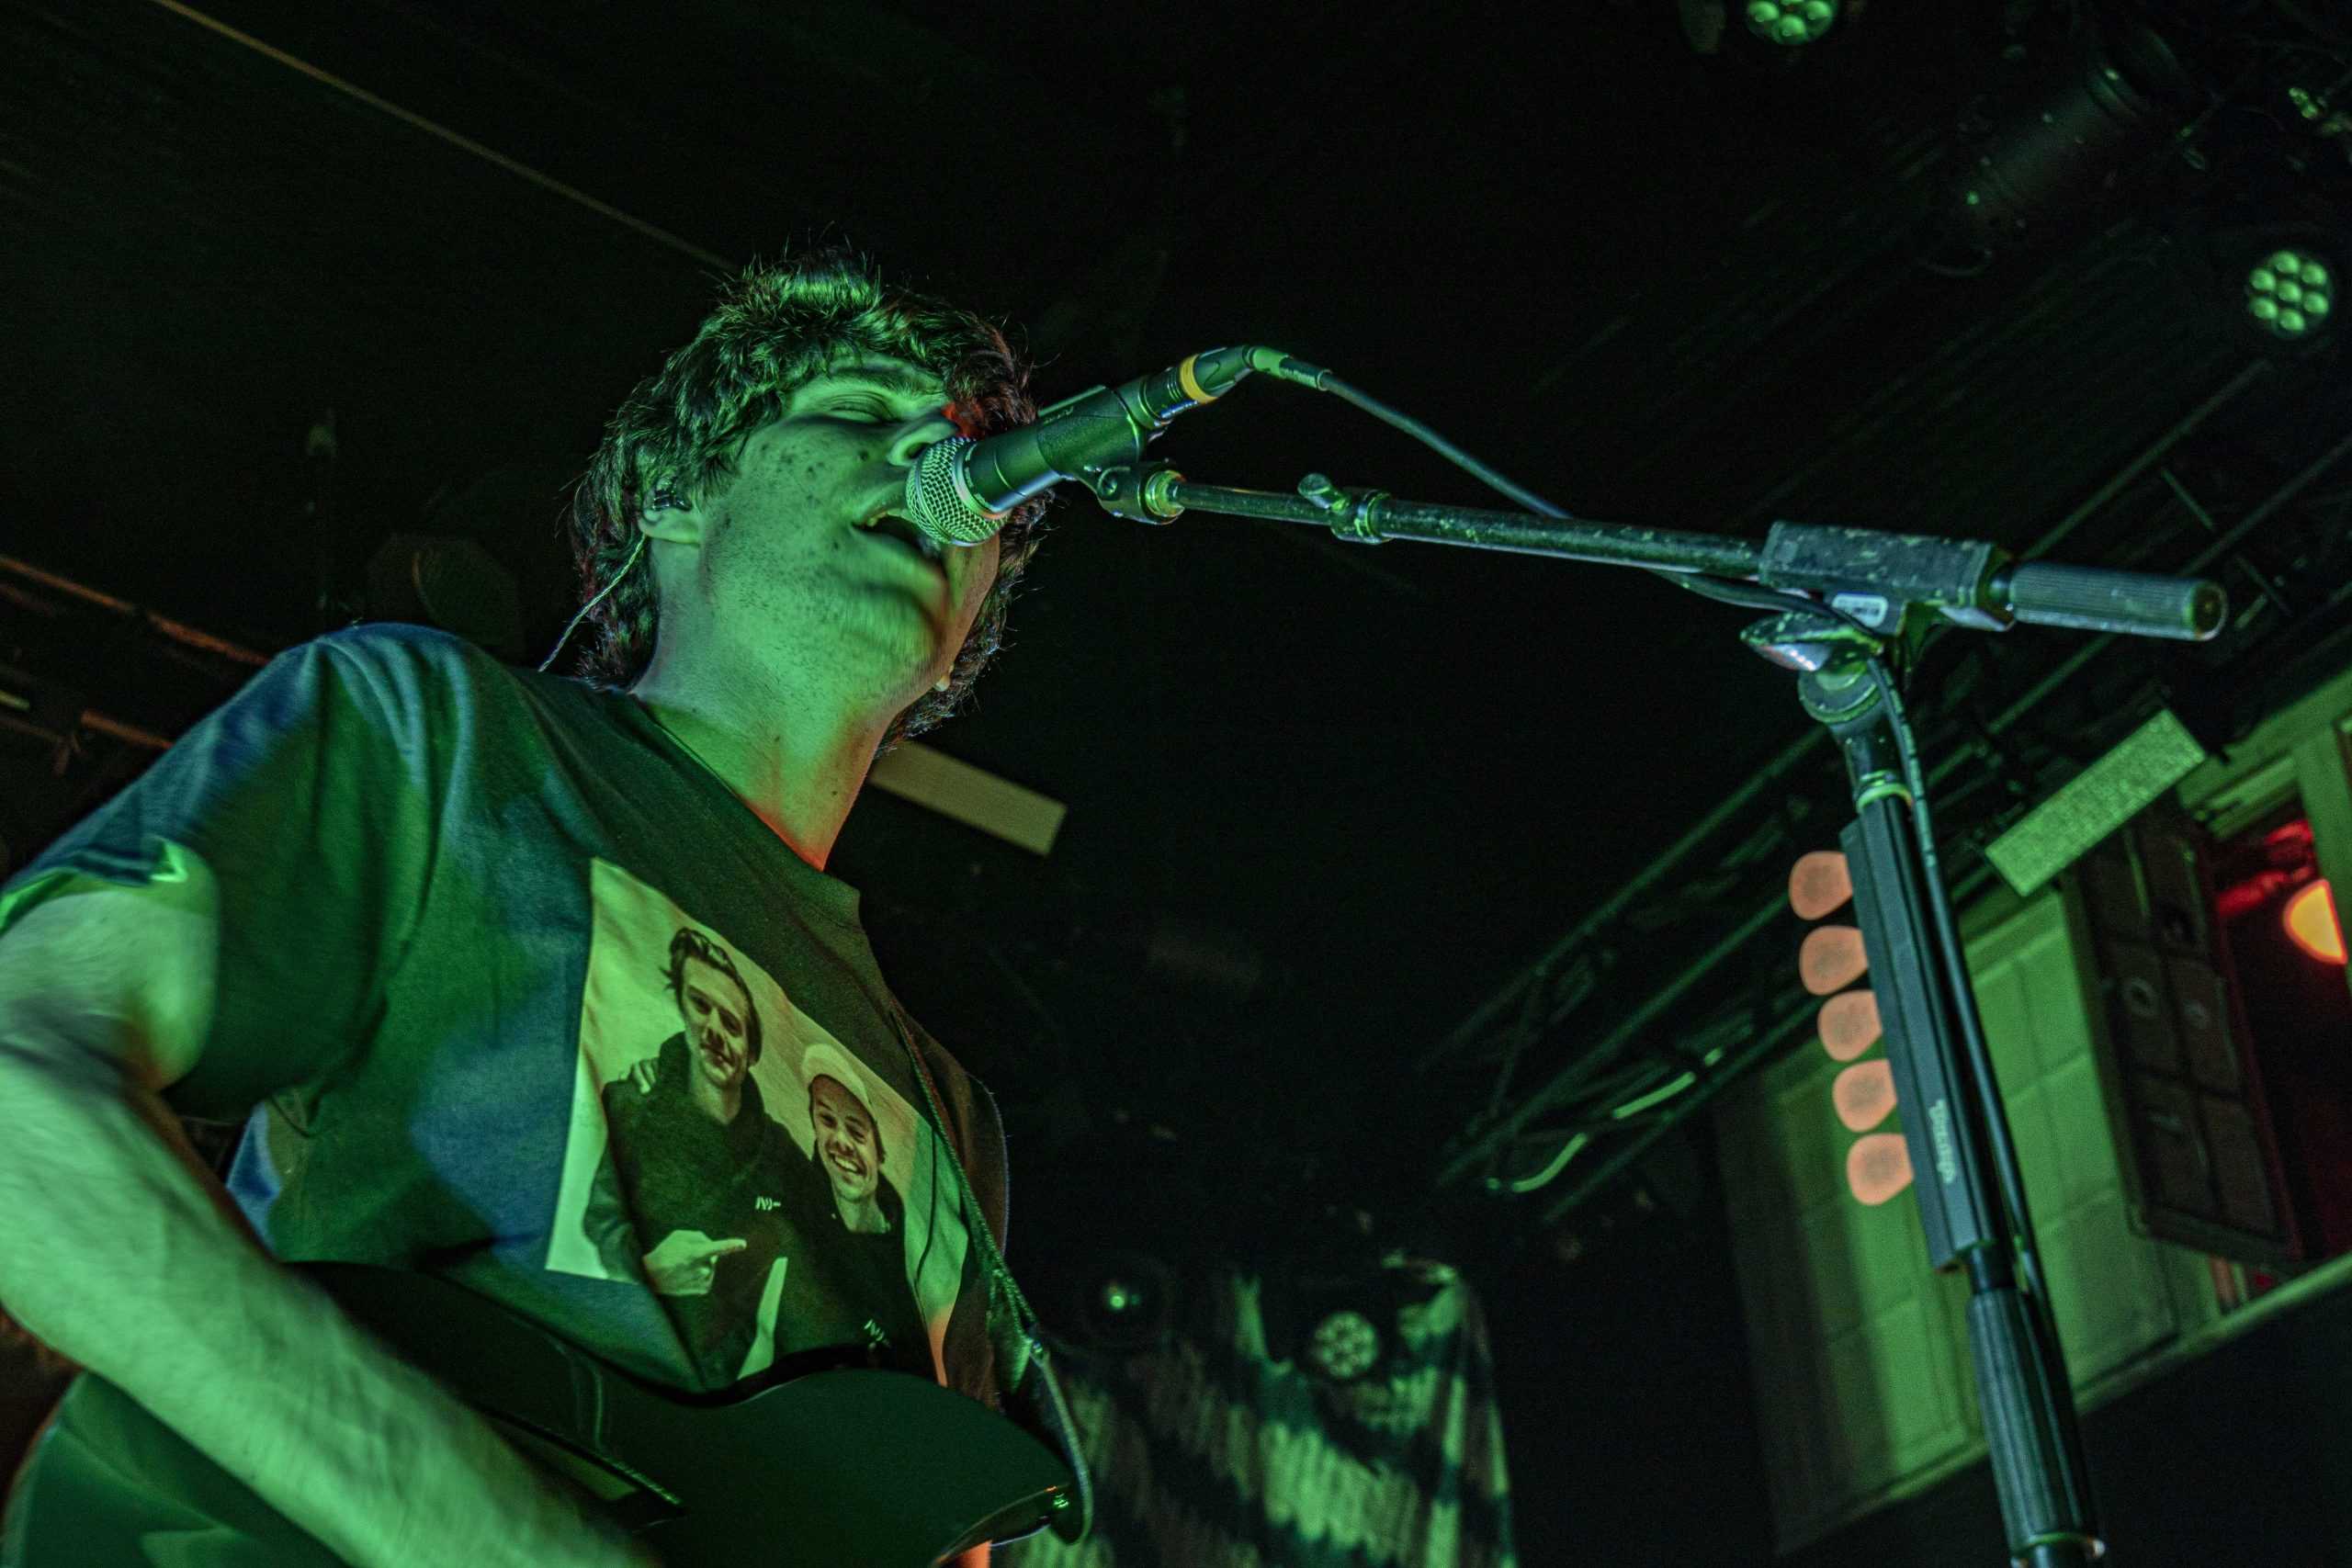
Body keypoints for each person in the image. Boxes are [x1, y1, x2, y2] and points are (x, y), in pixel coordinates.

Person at [0, 247, 1061, 1568]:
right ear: (676, 493)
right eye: (855, 413)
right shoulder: (439, 734)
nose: (932, 460)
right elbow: (20, 1096)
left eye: (965, 451)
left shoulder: (955, 1123)